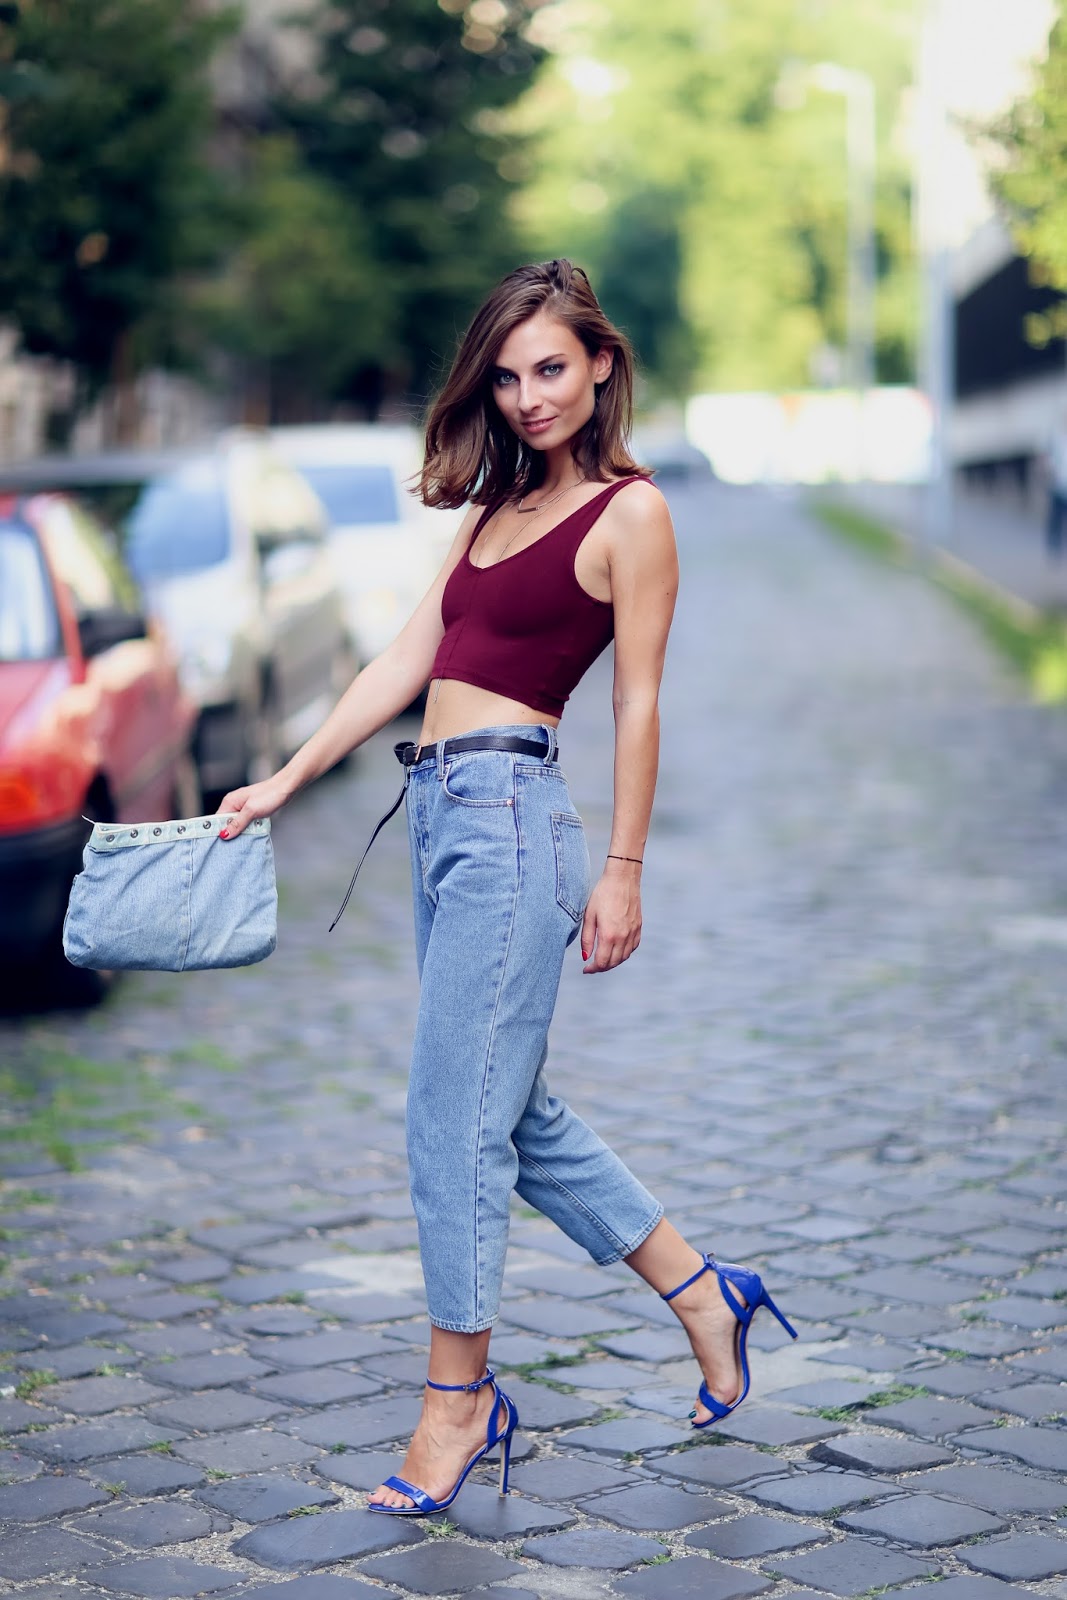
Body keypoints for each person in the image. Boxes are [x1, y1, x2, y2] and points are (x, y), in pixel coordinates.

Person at [216, 259, 795, 1517]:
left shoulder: (629, 515)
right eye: (509, 374)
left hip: (517, 822)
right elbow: (406, 655)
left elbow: (640, 698)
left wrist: (625, 871)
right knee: (507, 1109)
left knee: (451, 1119)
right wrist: (282, 777)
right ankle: (708, 1293)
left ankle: (455, 1403)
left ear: (599, 366)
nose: (530, 396)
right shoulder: (491, 509)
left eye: (552, 369)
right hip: (435, 817)